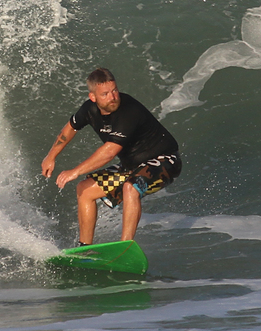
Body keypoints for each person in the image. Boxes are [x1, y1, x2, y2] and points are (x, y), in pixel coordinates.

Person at [41, 68, 181, 245]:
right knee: (85, 190)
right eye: (105, 94)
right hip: (132, 166)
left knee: (131, 187)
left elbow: (109, 152)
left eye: (114, 90)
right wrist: (50, 156)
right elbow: (71, 127)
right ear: (93, 97)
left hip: (165, 160)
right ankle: (85, 248)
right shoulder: (89, 109)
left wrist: (75, 171)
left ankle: (125, 247)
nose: (113, 97)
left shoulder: (129, 110)